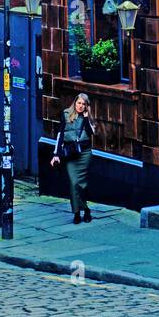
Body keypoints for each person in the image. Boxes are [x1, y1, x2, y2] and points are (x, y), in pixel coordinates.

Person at [51, 93, 96, 224]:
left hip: (84, 154)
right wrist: (56, 155)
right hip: (71, 154)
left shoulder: (89, 118)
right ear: (74, 103)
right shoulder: (66, 114)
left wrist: (86, 119)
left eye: (84, 104)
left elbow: (91, 133)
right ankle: (77, 212)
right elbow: (60, 135)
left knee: (82, 185)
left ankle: (86, 211)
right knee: (73, 183)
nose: (81, 106)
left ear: (87, 106)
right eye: (79, 103)